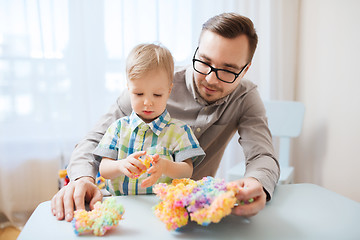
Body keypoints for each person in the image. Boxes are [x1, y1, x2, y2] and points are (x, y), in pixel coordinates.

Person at [51, 12, 280, 222]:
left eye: (228, 70)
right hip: (132, 207)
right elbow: (93, 141)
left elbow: (263, 155)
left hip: (194, 213)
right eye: (204, 61)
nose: (210, 79)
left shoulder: (245, 97)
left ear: (245, 69)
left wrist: (257, 183)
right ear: (196, 51)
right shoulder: (153, 84)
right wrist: (83, 178)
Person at [94, 43, 205, 195]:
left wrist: (165, 167)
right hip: (120, 206)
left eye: (157, 95)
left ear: (169, 91)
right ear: (129, 89)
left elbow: (187, 171)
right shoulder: (118, 128)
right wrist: (120, 165)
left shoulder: (179, 131)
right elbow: (104, 169)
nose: (147, 102)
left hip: (161, 207)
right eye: (139, 94)